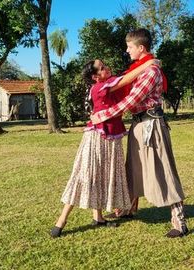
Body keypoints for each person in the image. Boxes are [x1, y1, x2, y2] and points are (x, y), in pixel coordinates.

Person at [90, 28, 188, 238]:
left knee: (162, 169)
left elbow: (131, 100)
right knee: (133, 168)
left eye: (130, 47)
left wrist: (104, 115)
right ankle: (128, 207)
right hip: (138, 124)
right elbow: (118, 84)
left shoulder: (151, 72)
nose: (127, 50)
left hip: (151, 125)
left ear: (141, 48)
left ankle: (179, 221)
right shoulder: (140, 69)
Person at [50, 57, 160, 238]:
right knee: (85, 175)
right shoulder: (100, 87)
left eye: (104, 65)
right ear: (95, 77)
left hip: (110, 137)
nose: (106, 68)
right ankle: (61, 220)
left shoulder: (108, 83)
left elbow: (125, 80)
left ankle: (98, 217)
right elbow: (127, 79)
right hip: (97, 137)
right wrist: (150, 63)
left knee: (101, 175)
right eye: (101, 68)